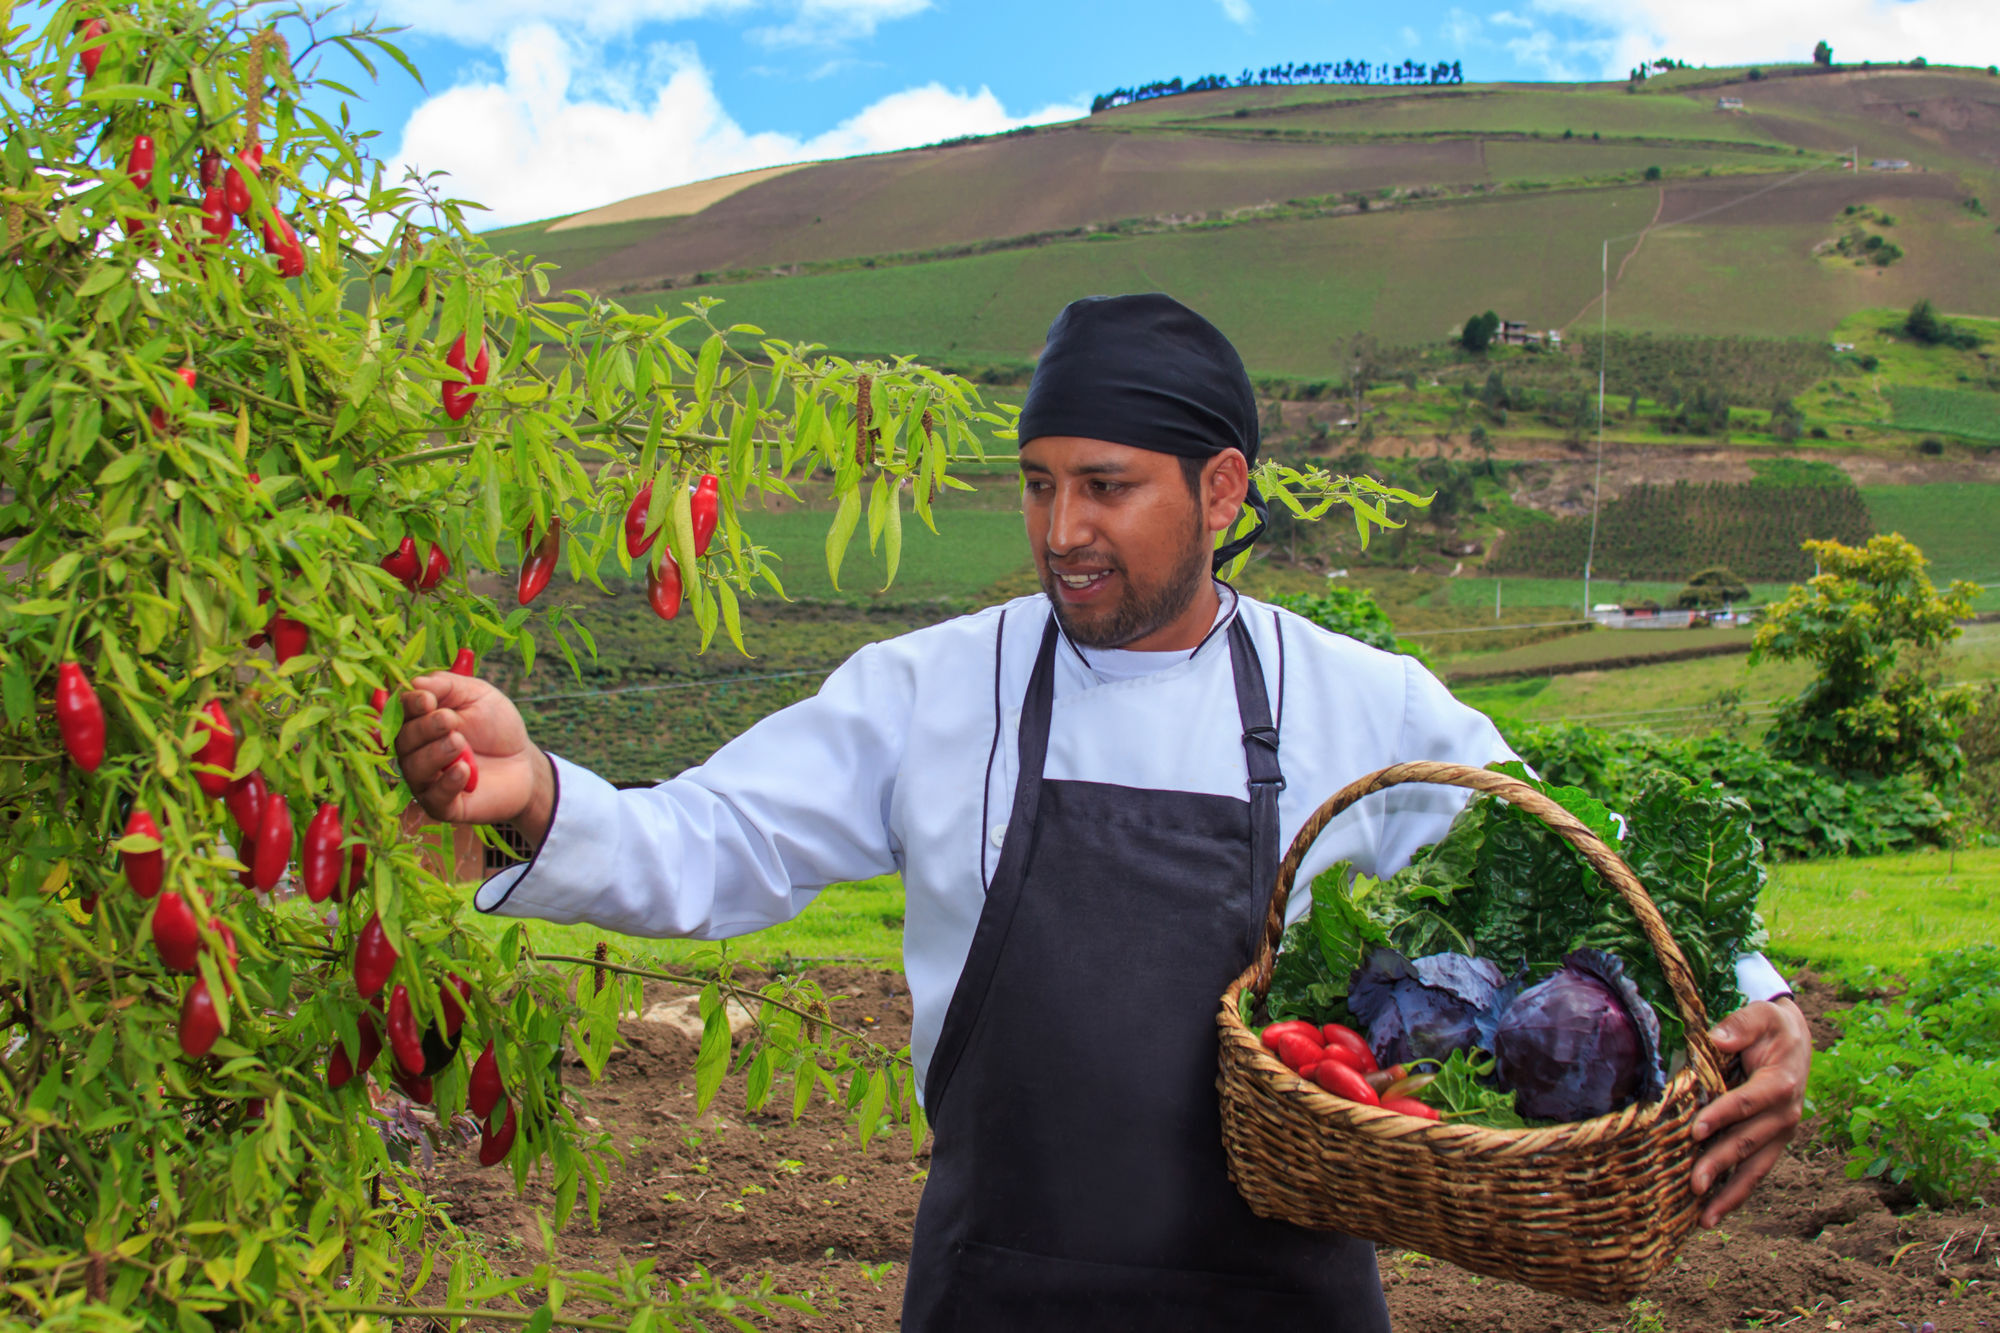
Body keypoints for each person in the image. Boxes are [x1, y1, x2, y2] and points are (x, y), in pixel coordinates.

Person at [393, 294, 1813, 1331]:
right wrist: (537, 795)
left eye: (1107, 487)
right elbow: (711, 846)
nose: (1061, 527)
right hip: (997, 1293)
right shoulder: (929, 690)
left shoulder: (1360, 702)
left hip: (1285, 1306)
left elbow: (1576, 875)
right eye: (1039, 484)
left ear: (1221, 488)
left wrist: (1754, 1001)